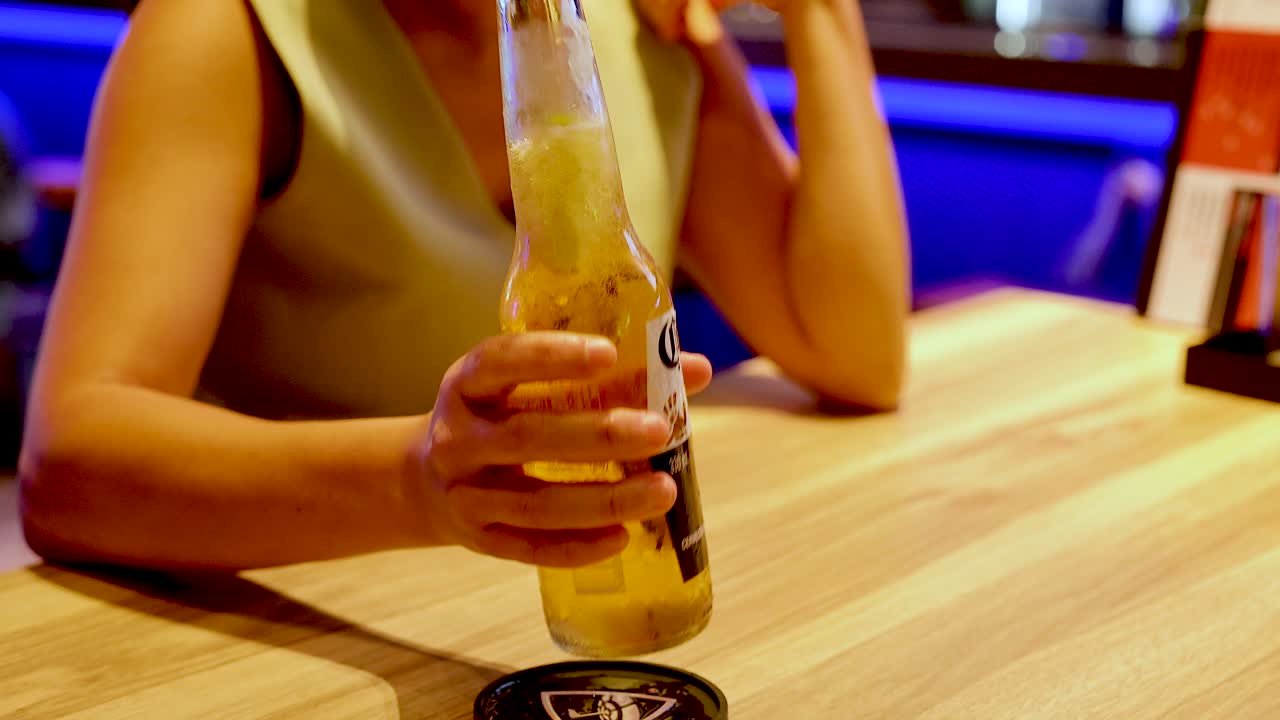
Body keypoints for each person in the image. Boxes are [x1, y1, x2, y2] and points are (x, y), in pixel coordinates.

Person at [19, 0, 909, 571]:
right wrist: (418, 479)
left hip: (579, 631)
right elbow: (68, 461)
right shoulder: (224, 28)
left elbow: (859, 352)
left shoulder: (637, 29)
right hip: (300, 631)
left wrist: (820, 13)